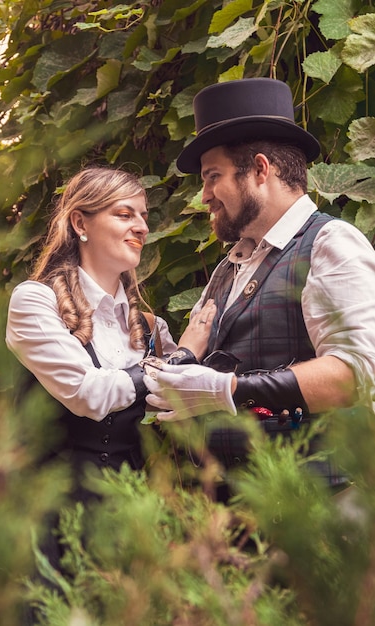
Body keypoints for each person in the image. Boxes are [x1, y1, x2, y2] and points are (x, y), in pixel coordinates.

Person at [144, 78, 375, 489]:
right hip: (235, 515)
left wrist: (227, 390)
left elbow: (356, 374)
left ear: (260, 170)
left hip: (315, 507)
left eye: (212, 176)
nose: (204, 196)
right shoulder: (229, 266)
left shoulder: (330, 242)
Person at [6, 165, 216, 490]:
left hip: (132, 518)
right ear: (80, 223)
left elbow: (183, 402)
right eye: (124, 214)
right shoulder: (35, 302)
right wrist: (180, 358)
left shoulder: (149, 328)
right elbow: (86, 393)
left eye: (144, 217)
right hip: (48, 516)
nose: (142, 227)